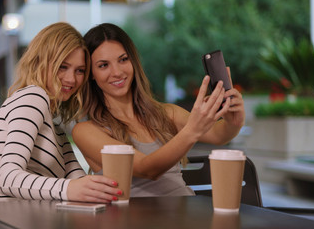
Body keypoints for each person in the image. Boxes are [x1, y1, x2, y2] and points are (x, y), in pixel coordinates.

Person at [72, 23, 245, 197]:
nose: (117, 72)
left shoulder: (167, 113)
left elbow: (218, 135)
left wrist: (234, 122)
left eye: (123, 59)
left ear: (133, 61)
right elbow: (146, 169)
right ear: (91, 73)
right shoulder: (86, 131)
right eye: (103, 65)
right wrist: (192, 130)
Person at [0, 22, 121, 204]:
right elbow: (7, 178)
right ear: (40, 61)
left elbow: (78, 181)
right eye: (63, 66)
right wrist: (70, 189)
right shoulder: (33, 97)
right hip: (2, 218)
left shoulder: (56, 130)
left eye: (80, 71)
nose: (71, 79)